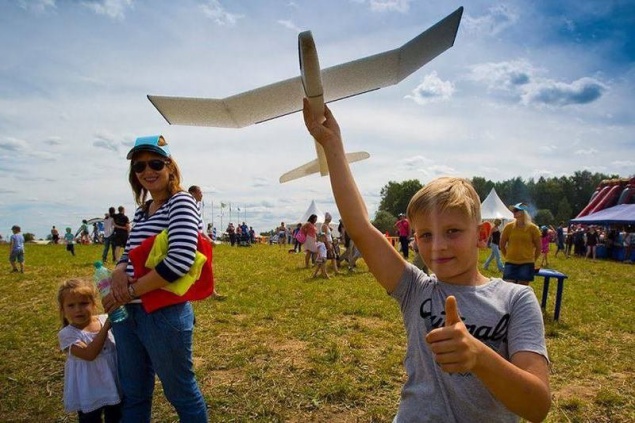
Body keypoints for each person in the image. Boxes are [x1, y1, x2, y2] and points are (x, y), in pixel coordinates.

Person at [302, 99, 550, 422]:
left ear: (482, 233)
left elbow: (537, 406)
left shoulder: (516, 300)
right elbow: (361, 228)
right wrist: (332, 144)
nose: (439, 246)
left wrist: (478, 356)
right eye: (427, 235)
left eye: (452, 231)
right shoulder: (415, 289)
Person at [101, 135, 208, 422]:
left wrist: (129, 290)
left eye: (156, 163)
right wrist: (119, 269)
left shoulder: (181, 202)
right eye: (140, 167)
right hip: (128, 313)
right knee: (133, 394)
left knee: (181, 393)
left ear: (170, 167)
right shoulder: (143, 209)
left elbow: (180, 261)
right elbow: (130, 254)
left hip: (163, 313)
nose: (148, 171)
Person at [57, 279, 121, 422]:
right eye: (71, 305)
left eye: (83, 303)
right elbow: (89, 354)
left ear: (93, 303)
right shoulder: (67, 334)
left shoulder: (104, 319)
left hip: (113, 384)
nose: (78, 309)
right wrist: (106, 328)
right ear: (63, 309)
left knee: (116, 417)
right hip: (89, 390)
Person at [189, 185, 224, 299]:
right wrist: (209, 240)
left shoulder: (195, 205)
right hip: (195, 238)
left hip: (197, 237)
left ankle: (209, 291)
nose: (202, 194)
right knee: (205, 266)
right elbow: (197, 228)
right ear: (193, 193)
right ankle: (210, 292)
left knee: (201, 266)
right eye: (200, 192)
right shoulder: (191, 205)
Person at [500, 203, 541, 286]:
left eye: (516, 210)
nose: (513, 212)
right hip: (510, 263)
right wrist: (507, 257)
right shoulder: (508, 227)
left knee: (522, 289)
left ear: (524, 212)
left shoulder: (533, 229)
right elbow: (502, 244)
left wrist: (533, 260)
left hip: (526, 263)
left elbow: (539, 248)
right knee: (508, 288)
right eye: (513, 210)